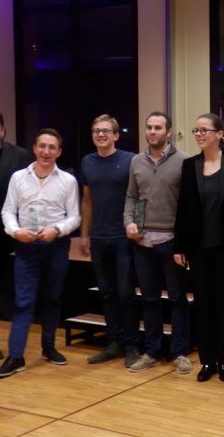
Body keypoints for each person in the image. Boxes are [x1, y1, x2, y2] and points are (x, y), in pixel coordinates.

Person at [0, 128, 80, 378]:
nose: (46, 151)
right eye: (42, 146)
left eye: (52, 147)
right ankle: (16, 356)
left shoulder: (68, 181)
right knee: (23, 302)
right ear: (34, 148)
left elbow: (74, 217)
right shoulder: (18, 178)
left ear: (59, 152)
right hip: (26, 245)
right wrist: (15, 231)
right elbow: (8, 210)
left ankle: (48, 347)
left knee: (52, 298)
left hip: (56, 245)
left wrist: (57, 229)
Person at [174, 113, 224, 382]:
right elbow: (184, 207)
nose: (199, 135)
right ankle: (207, 361)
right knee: (203, 305)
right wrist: (179, 246)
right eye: (196, 131)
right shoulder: (189, 165)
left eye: (204, 130)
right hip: (198, 248)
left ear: (220, 134)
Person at [123, 111, 191, 374]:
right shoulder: (136, 161)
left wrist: (183, 242)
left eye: (158, 127)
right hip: (142, 241)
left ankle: (180, 352)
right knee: (149, 299)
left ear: (169, 132)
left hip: (171, 242)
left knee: (177, 299)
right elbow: (131, 196)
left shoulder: (184, 161)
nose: (152, 131)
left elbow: (187, 205)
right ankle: (151, 351)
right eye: (149, 127)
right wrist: (129, 222)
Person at [80, 114, 139, 367]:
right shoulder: (87, 162)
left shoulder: (130, 160)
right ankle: (114, 342)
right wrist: (84, 234)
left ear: (116, 135)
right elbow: (87, 200)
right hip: (98, 237)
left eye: (105, 131)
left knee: (125, 293)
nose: (100, 134)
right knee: (106, 293)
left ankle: (132, 345)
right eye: (96, 131)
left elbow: (139, 196)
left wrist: (137, 226)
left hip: (123, 237)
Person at [0, 110, 32, 360]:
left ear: (3, 130)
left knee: (6, 291)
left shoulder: (20, 156)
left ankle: (16, 346)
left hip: (8, 236)